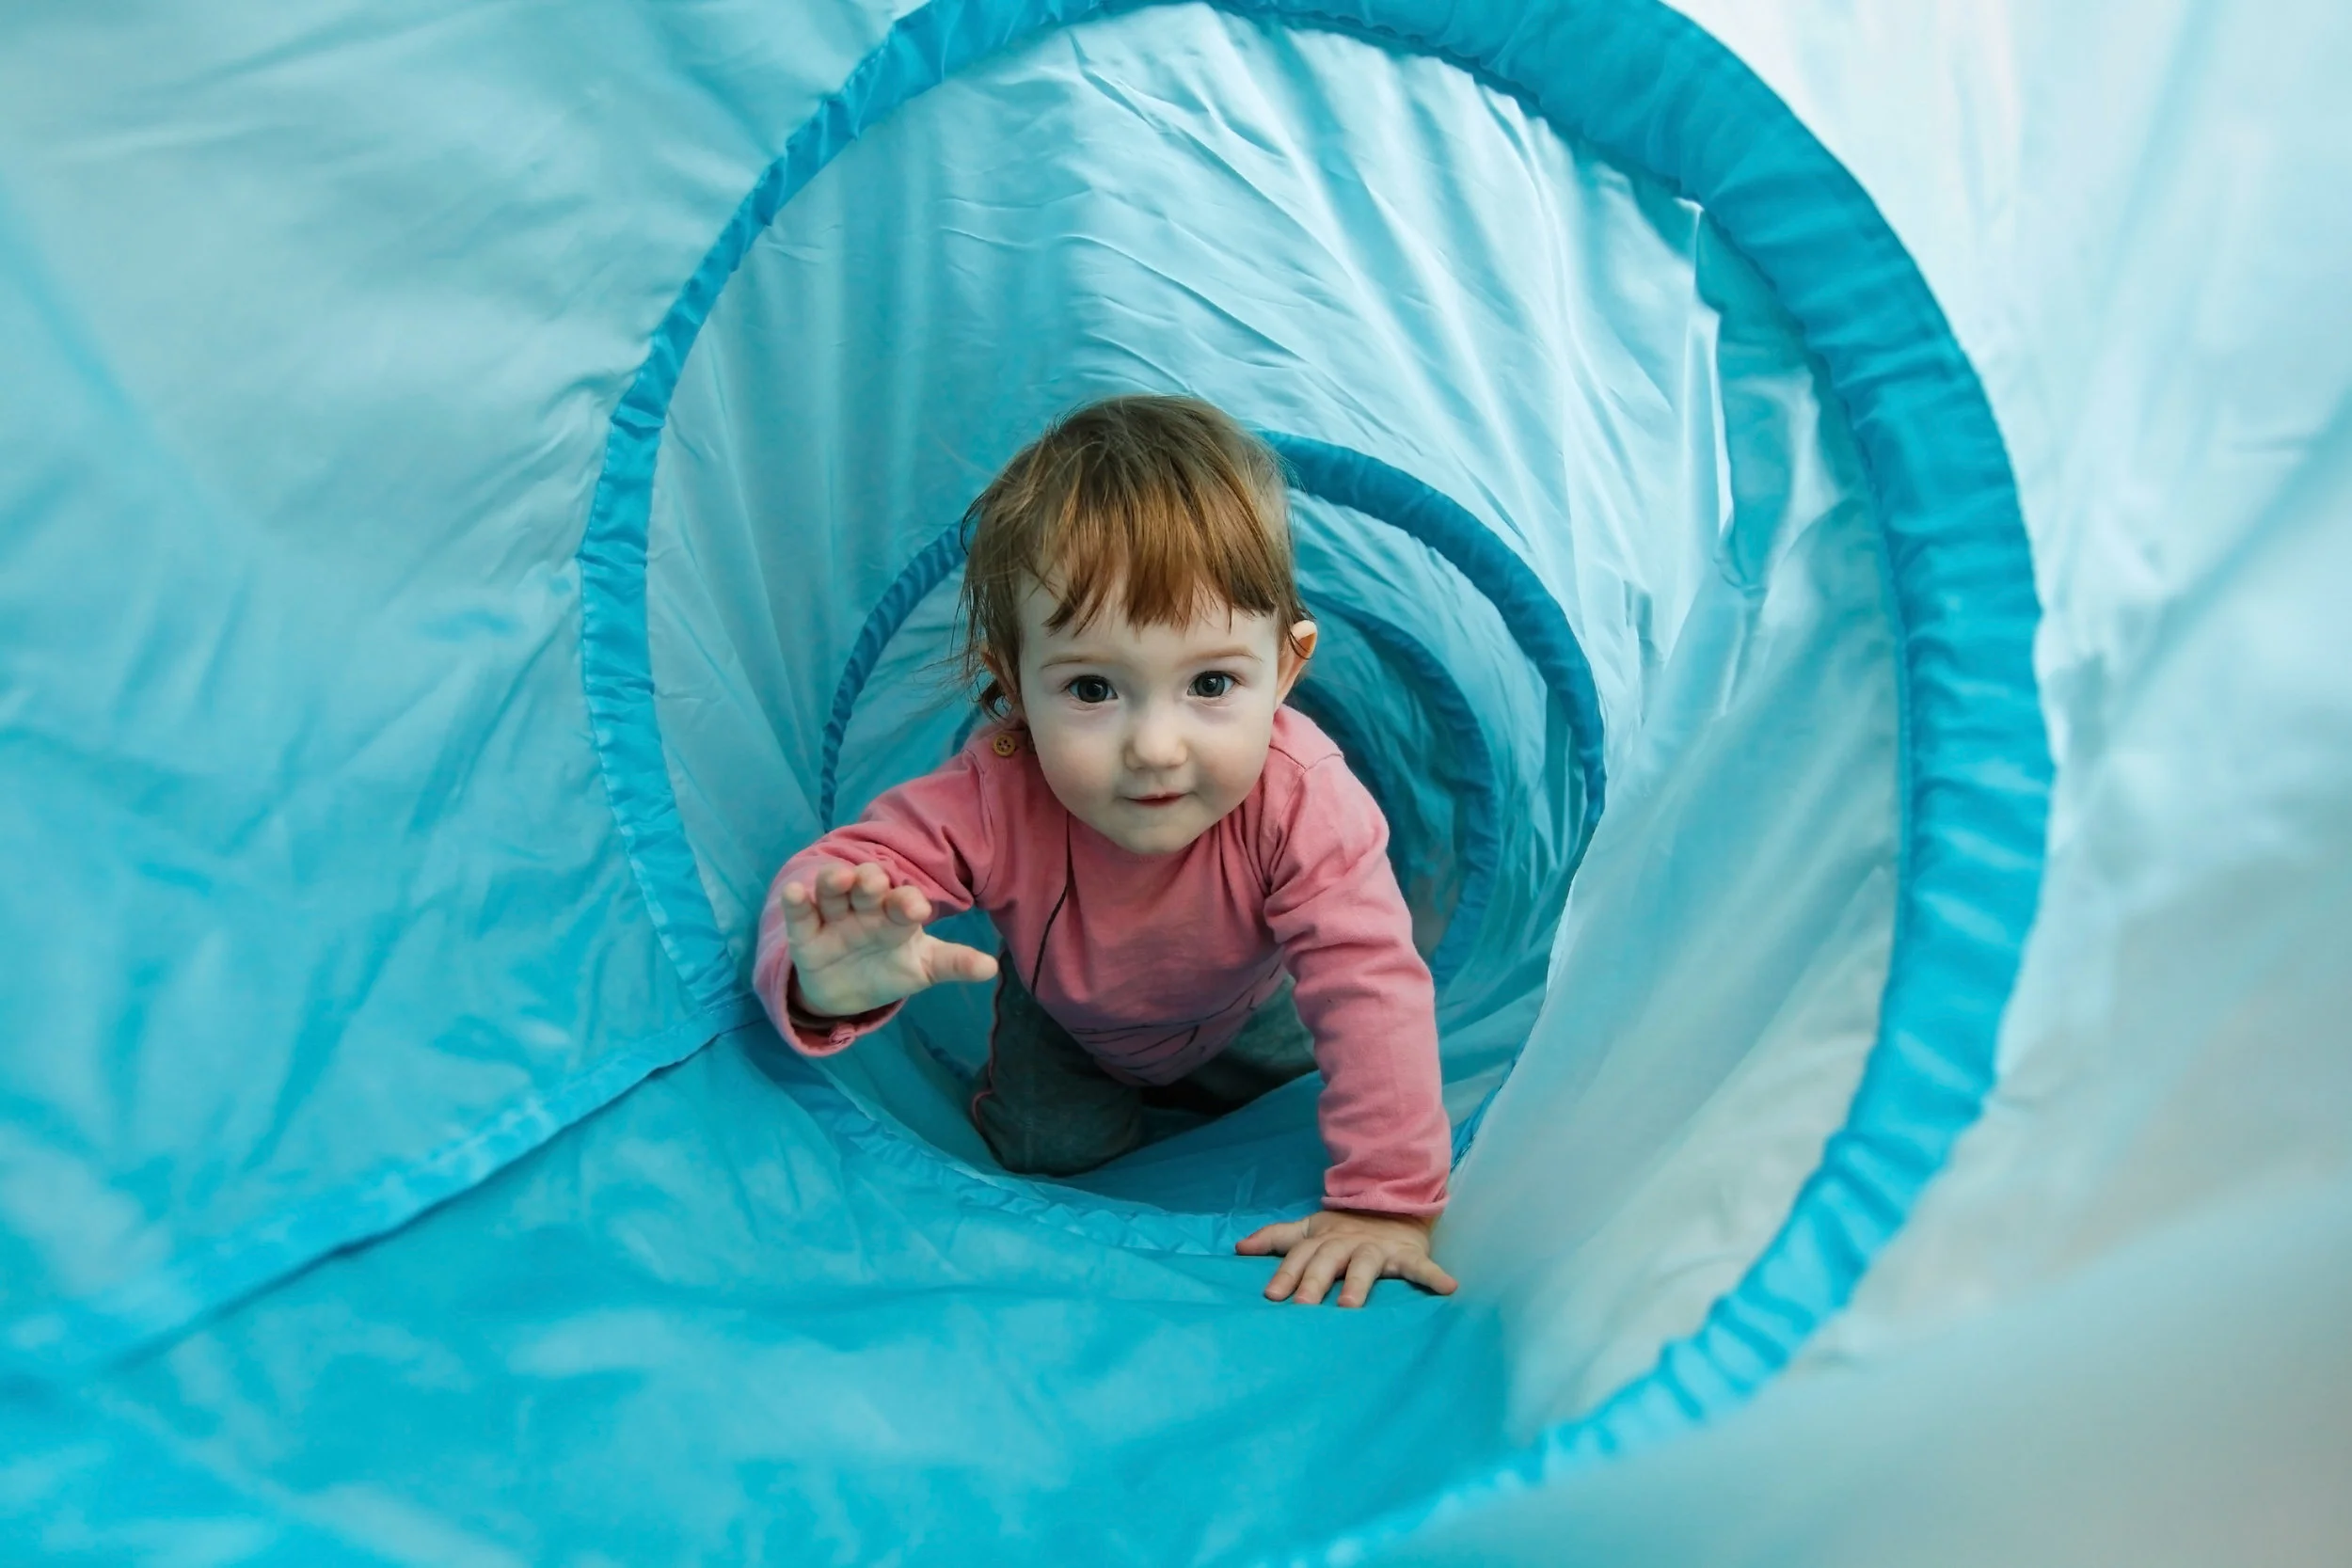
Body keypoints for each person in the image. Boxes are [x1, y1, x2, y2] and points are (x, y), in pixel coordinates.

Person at [755, 394, 1455, 1309]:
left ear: (1285, 668)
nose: (1155, 746)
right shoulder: (997, 791)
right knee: (1043, 1161)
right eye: (1092, 686)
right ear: (1013, 687)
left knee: (1292, 1100)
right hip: (1066, 1026)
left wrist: (1388, 1204)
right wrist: (819, 979)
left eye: (1210, 681)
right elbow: (838, 872)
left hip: (1252, 1007)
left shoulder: (1302, 795)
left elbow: (1370, 980)